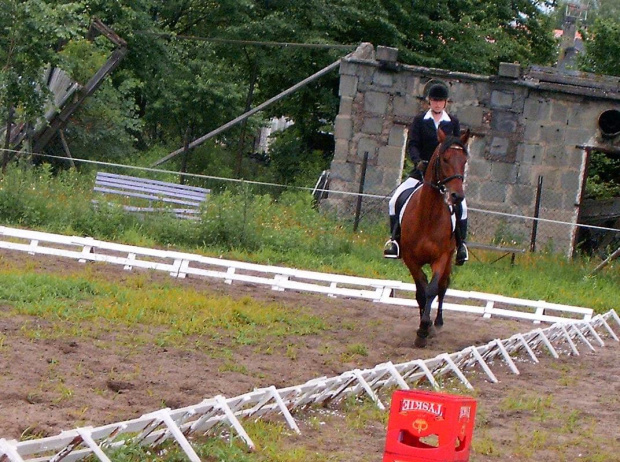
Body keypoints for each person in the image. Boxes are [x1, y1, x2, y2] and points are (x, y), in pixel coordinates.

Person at [383, 82, 469, 265]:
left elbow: (454, 148)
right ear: (429, 102)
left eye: (440, 101)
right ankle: (395, 241)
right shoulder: (420, 120)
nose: (437, 104)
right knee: (394, 200)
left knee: (462, 207)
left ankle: (461, 245)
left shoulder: (452, 122)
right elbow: (413, 143)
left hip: (444, 175)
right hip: (421, 171)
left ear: (445, 103)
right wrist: (417, 162)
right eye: (434, 101)